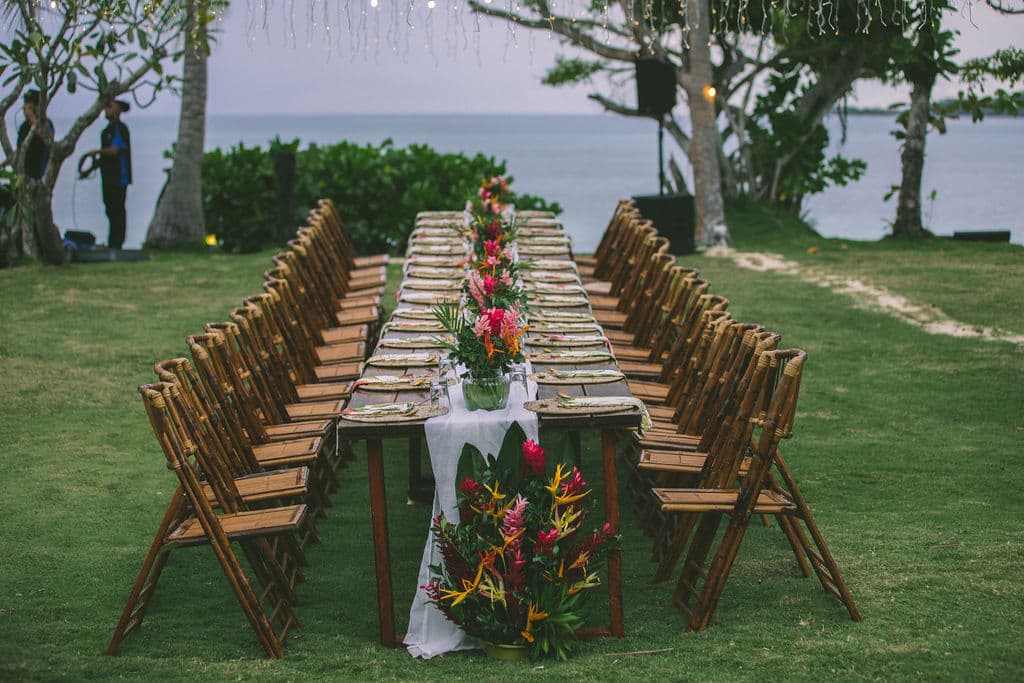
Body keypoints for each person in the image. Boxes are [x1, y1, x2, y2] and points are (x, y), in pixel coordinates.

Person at [89, 99, 132, 249]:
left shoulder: (119, 129)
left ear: (118, 110)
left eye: (110, 107)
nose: (106, 110)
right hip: (107, 177)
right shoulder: (107, 130)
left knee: (117, 209)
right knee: (109, 209)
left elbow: (115, 150)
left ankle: (117, 243)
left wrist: (98, 151)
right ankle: (112, 242)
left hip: (119, 177)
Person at [15, 89, 55, 180]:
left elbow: (48, 139)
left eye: (28, 104)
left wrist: (32, 119)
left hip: (41, 175)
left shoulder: (46, 123)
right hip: (25, 174)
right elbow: (19, 150)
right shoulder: (24, 127)